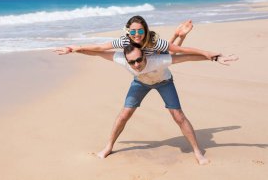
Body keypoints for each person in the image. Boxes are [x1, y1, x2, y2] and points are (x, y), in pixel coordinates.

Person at [76, 45, 238, 165]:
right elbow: (97, 52)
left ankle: (197, 152)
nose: (137, 64)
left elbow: (187, 57)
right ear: (126, 60)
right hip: (140, 83)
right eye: (132, 62)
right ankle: (108, 147)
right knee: (124, 114)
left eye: (139, 60)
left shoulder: (159, 60)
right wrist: (75, 49)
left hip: (164, 82)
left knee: (178, 116)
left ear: (145, 56)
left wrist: (214, 57)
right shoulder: (121, 59)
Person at [54, 16, 218, 60]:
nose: (136, 35)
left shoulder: (153, 42)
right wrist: (72, 48)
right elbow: (100, 48)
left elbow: (181, 50)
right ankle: (177, 34)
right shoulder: (124, 41)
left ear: (145, 31)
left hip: (153, 54)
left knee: (170, 54)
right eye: (133, 32)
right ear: (128, 33)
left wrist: (207, 53)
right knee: (169, 52)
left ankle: (178, 34)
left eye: (140, 31)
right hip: (148, 55)